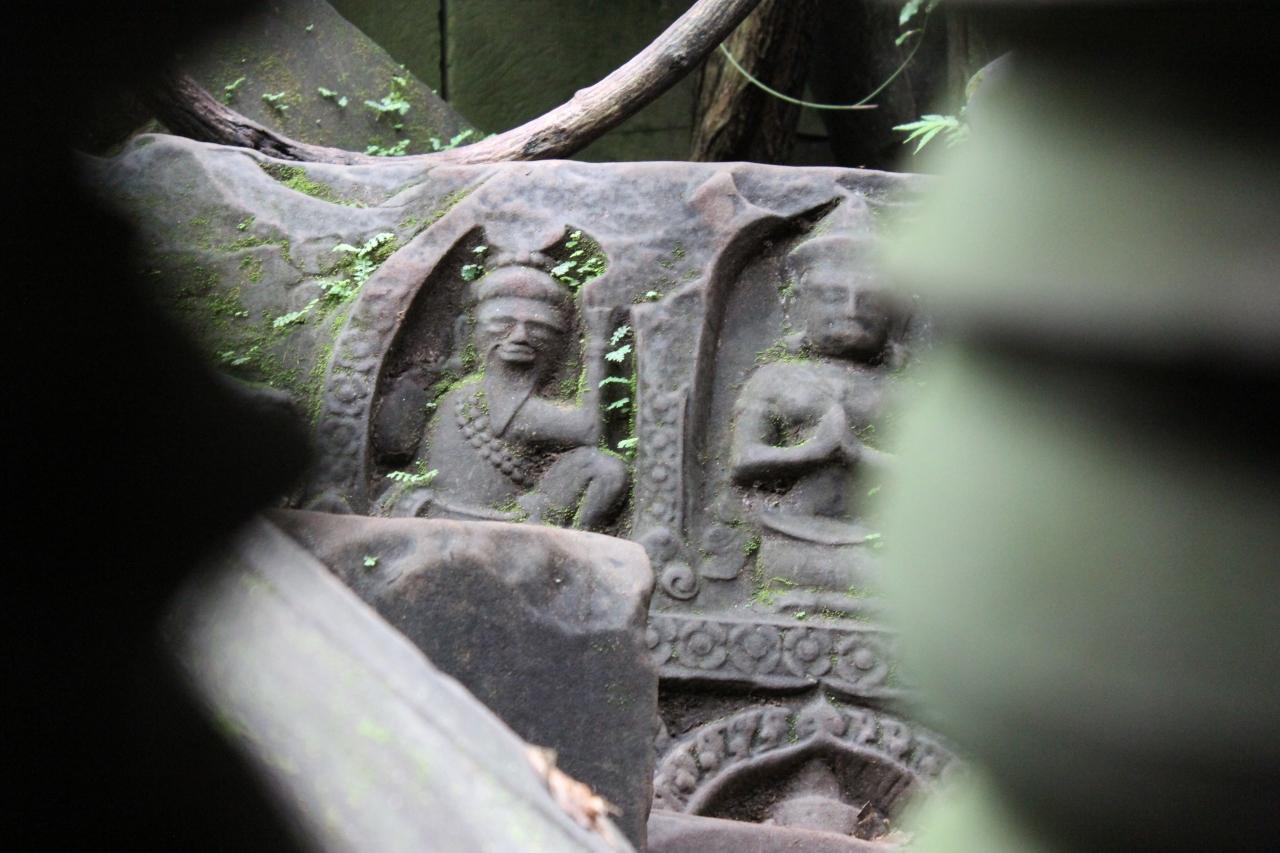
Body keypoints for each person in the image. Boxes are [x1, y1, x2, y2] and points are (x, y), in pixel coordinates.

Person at [390, 250, 627, 529]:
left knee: (596, 464)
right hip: (477, 524)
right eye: (502, 324)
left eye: (539, 329)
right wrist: (598, 341)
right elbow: (588, 430)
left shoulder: (463, 392)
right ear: (467, 331)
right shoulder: (497, 399)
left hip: (460, 517)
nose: (520, 337)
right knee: (609, 469)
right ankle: (580, 536)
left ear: (561, 343)